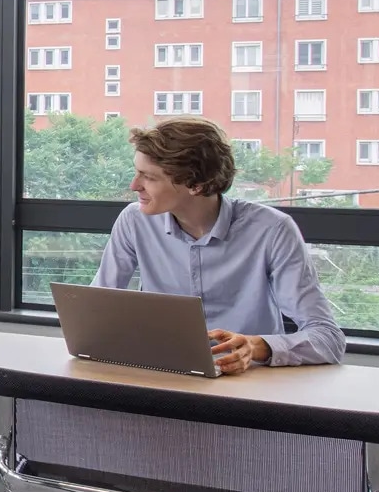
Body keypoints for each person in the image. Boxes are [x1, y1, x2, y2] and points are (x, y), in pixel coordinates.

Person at [92, 117, 345, 371]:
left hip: (247, 384)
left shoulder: (272, 230)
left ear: (195, 185)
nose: (134, 185)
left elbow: (327, 338)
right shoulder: (134, 221)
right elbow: (95, 310)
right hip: (163, 373)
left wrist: (257, 347)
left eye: (149, 178)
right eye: (137, 172)